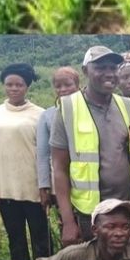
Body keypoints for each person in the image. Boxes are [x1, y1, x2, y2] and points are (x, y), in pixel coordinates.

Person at [50, 46, 130, 246]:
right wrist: (68, 222)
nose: (109, 73)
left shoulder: (126, 105)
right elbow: (60, 168)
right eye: (100, 67)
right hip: (90, 213)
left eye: (114, 68)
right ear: (85, 71)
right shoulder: (68, 107)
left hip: (126, 207)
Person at [0, 63, 50, 260]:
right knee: (15, 236)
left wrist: (45, 187)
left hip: (33, 187)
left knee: (41, 235)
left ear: (27, 86)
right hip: (6, 188)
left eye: (18, 84)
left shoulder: (40, 114)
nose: (13, 88)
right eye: (9, 84)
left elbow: (45, 154)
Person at [37, 66, 81, 214]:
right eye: (58, 86)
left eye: (68, 85)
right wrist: (44, 186)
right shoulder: (47, 115)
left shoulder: (88, 110)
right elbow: (43, 155)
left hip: (86, 184)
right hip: (60, 184)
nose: (63, 89)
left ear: (77, 85)